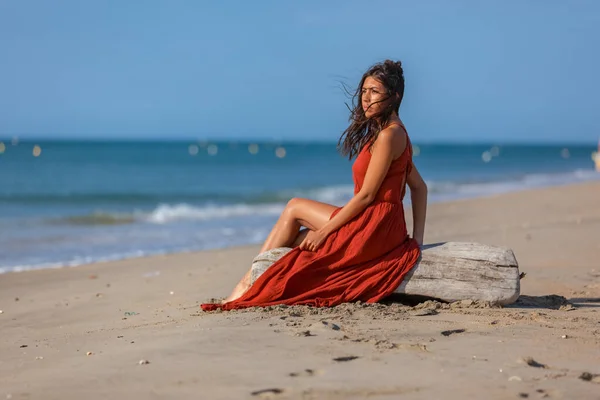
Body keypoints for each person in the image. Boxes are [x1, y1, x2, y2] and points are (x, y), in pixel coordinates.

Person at [202, 59, 428, 311]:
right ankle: (253, 282)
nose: (366, 98)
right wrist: (416, 239)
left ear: (394, 97)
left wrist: (324, 232)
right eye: (364, 91)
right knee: (299, 238)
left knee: (295, 208)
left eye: (374, 92)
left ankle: (245, 285)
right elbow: (419, 187)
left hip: (373, 225)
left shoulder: (388, 135)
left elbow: (366, 196)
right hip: (380, 224)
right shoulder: (396, 132)